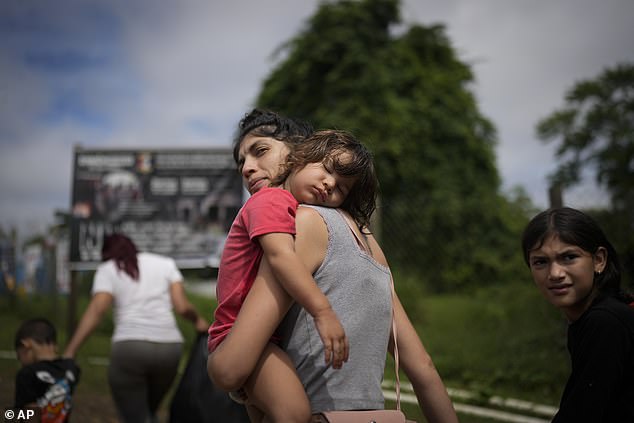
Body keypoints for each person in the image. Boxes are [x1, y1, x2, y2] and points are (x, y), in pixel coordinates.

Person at [208, 109, 459, 423]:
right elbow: (422, 366)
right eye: (241, 161)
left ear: (298, 151)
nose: (247, 168)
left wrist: (322, 312)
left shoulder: (302, 221)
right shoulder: (368, 243)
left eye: (261, 151)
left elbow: (229, 368)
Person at [208, 127, 378, 422]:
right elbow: (281, 256)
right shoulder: (271, 200)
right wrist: (322, 312)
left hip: (265, 341)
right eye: (326, 170)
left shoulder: (292, 207)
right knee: (295, 412)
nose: (329, 184)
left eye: (341, 187)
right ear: (298, 159)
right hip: (236, 337)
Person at [63, 233, 209, 423]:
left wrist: (70, 351)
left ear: (107, 252)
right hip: (169, 348)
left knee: (135, 416)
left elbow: (97, 310)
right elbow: (182, 306)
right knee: (149, 411)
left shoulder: (108, 269)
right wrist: (198, 320)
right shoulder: (165, 264)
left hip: (130, 348)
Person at [521, 207, 634, 422]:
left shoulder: (606, 322)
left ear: (599, 260)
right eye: (540, 262)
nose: (555, 274)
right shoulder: (593, 317)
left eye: (569, 257)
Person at [14, 317, 81, 423]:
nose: (21, 363)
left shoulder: (27, 374)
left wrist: (9, 415)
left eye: (19, 357)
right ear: (55, 345)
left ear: (25, 345)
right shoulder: (71, 369)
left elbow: (29, 415)